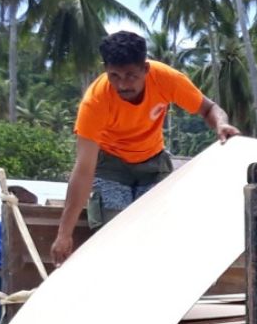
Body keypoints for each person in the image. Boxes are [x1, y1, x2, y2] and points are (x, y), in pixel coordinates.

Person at [50, 31, 242, 264]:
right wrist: (64, 234)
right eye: (114, 76)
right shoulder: (95, 102)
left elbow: (209, 109)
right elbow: (83, 170)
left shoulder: (166, 79)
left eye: (131, 76)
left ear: (146, 69)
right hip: (111, 165)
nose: (122, 84)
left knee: (156, 233)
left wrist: (221, 124)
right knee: (115, 237)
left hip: (153, 164)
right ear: (106, 70)